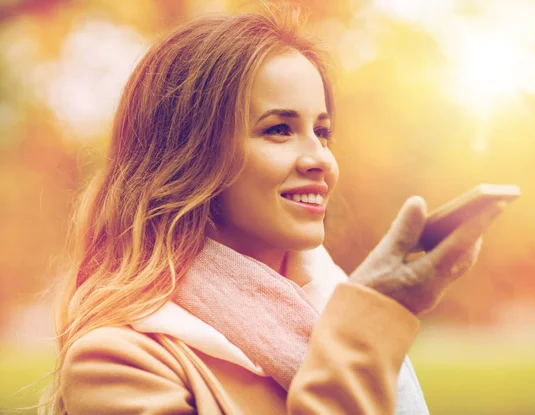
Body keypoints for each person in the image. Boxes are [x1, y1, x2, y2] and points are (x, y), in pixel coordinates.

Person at [43, 5, 505, 415]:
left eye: (321, 132)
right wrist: (369, 324)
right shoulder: (117, 363)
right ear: (189, 155)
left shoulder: (329, 307)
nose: (319, 158)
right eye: (279, 130)